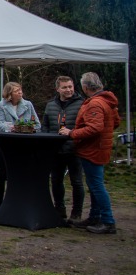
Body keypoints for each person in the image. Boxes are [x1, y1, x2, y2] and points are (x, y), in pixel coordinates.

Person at [58, 72, 120, 234]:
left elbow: (95, 127)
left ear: (85, 87)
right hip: (100, 147)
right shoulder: (106, 101)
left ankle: (108, 221)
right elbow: (115, 122)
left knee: (96, 186)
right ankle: (94, 217)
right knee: (94, 185)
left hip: (93, 149)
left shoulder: (95, 103)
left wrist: (72, 133)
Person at [0, 82, 40, 213]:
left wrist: (26, 127)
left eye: (20, 90)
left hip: (21, 145)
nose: (20, 93)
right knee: (0, 175)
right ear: (9, 93)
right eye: (16, 91)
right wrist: (13, 127)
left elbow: (37, 124)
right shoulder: (0, 106)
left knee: (20, 174)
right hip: (2, 145)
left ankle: (20, 202)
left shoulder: (28, 105)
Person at [41, 76, 85, 221]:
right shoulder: (50, 105)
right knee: (56, 180)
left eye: (70, 86)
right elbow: (45, 126)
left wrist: (74, 135)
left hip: (75, 149)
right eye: (65, 87)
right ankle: (59, 209)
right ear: (58, 89)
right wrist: (47, 141)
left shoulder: (82, 104)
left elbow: (85, 126)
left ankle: (76, 213)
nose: (68, 90)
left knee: (76, 182)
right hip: (56, 150)